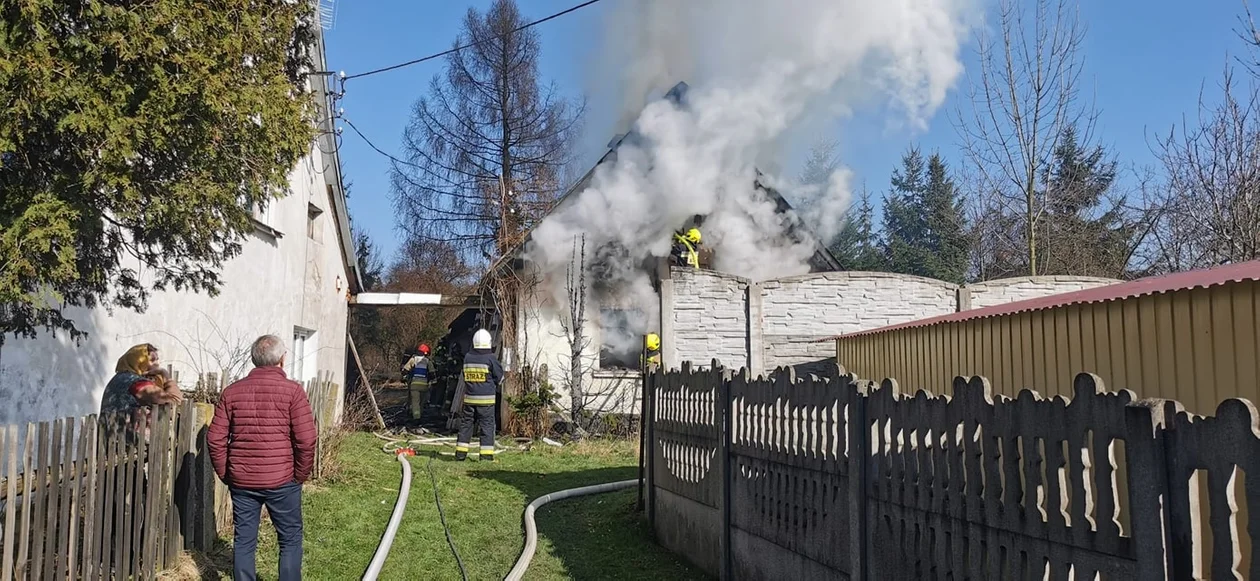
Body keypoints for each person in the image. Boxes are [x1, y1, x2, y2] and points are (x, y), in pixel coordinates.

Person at [208, 335, 317, 581]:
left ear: (254, 359)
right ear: (282, 359)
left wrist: (227, 473)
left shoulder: (232, 392)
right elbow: (306, 439)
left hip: (243, 481)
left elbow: (215, 438)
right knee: (289, 538)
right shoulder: (293, 392)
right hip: (282, 480)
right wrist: (299, 474)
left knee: (244, 540)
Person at [455, 329, 503, 461]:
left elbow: (465, 376)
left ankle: (460, 454)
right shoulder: (491, 358)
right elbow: (500, 378)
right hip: (486, 401)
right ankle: (486, 456)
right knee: (487, 426)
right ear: (488, 342)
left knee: (466, 425)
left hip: (469, 399)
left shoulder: (467, 358)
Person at [101, 343, 183, 416]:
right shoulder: (137, 383)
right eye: (152, 360)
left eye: (157, 359)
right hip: (128, 432)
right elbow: (176, 401)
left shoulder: (121, 377)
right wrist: (165, 374)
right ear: (139, 362)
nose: (157, 364)